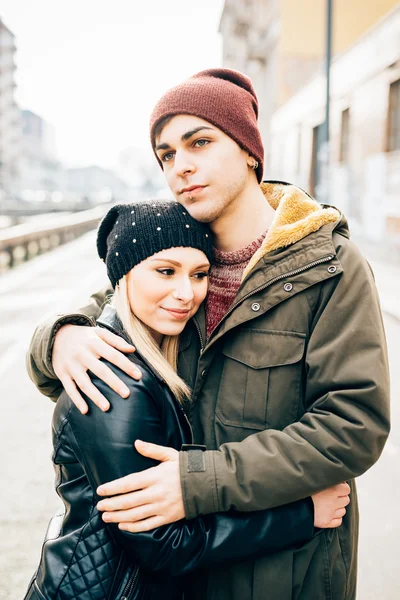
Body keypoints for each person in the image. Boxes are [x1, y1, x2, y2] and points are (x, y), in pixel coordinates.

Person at [27, 69, 390, 600]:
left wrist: (199, 480)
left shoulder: (330, 267)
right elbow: (95, 322)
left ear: (248, 151)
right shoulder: (174, 259)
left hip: (283, 571)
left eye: (199, 142)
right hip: (181, 572)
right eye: (166, 154)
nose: (181, 166)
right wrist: (57, 339)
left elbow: (354, 425)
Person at [24, 200, 349, 600]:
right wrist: (302, 517)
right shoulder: (115, 379)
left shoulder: (150, 357)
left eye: (199, 275)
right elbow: (163, 544)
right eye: (165, 271)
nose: (185, 293)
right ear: (121, 277)